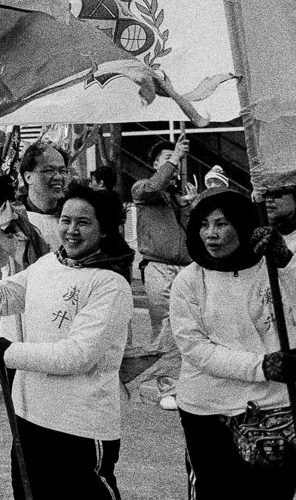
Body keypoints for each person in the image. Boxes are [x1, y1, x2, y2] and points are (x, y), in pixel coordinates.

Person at [0, 184, 135, 500]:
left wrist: (10, 352)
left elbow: (78, 355)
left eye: (83, 222)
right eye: (66, 220)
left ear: (103, 231)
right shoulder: (47, 265)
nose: (71, 230)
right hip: (29, 416)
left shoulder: (111, 284)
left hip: (80, 427)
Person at [170, 188, 296, 498]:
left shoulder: (272, 270)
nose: (212, 234)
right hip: (208, 411)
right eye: (204, 224)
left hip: (272, 409)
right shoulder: (189, 279)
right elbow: (195, 348)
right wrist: (260, 366)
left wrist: (286, 263)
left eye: (222, 224)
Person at [0, 141, 67, 379]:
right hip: (21, 321)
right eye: (49, 170)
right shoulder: (12, 218)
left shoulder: (73, 218)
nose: (58, 177)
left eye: (62, 170)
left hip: (63, 319)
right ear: (28, 176)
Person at [132, 138, 196, 411]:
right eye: (168, 157)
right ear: (157, 163)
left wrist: (188, 205)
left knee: (189, 325)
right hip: (158, 266)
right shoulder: (143, 189)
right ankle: (167, 387)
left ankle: (188, 384)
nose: (176, 161)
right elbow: (155, 185)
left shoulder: (175, 196)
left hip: (185, 267)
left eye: (178, 157)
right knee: (164, 326)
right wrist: (175, 159)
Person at [263, 184, 296, 433]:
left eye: (277, 194)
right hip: (266, 361)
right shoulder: (249, 237)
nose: (269, 200)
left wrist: (284, 258)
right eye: (264, 194)